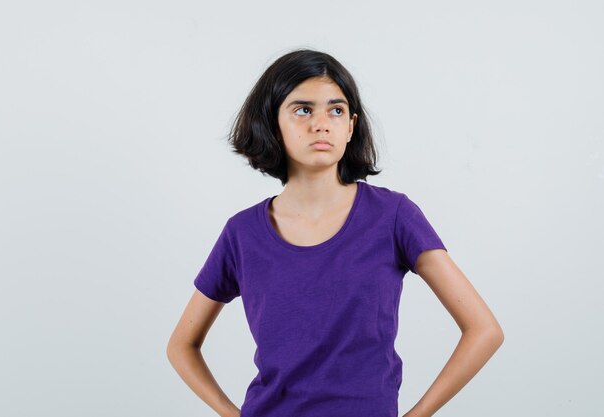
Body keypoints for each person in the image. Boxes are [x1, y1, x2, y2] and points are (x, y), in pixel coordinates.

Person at [166, 49, 504, 417]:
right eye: (303, 110)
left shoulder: (393, 216)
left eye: (336, 110)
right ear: (271, 122)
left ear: (351, 126)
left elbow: (483, 330)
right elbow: (181, 345)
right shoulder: (242, 233)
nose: (321, 123)